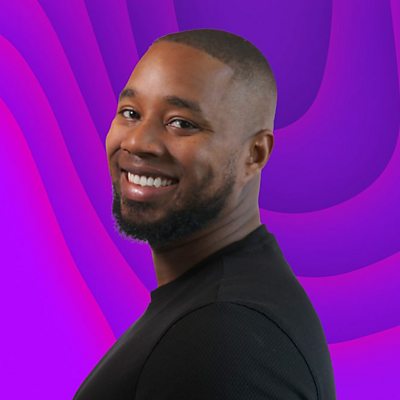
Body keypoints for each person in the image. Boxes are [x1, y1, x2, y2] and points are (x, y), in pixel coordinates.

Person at [73, 29, 336, 399]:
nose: (136, 142)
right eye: (130, 113)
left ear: (255, 154)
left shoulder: (225, 337)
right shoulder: (223, 305)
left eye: (181, 123)